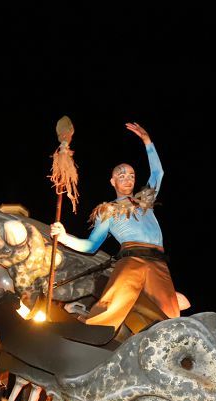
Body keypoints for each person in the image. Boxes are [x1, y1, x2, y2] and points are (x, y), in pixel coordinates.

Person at [51, 122, 179, 329]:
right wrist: (64, 236)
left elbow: (158, 174)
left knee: (170, 313)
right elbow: (90, 246)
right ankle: (91, 326)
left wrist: (147, 141)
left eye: (131, 175)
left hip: (158, 262)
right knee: (115, 300)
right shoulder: (108, 210)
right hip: (132, 259)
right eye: (121, 175)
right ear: (112, 182)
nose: (127, 179)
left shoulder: (145, 202)